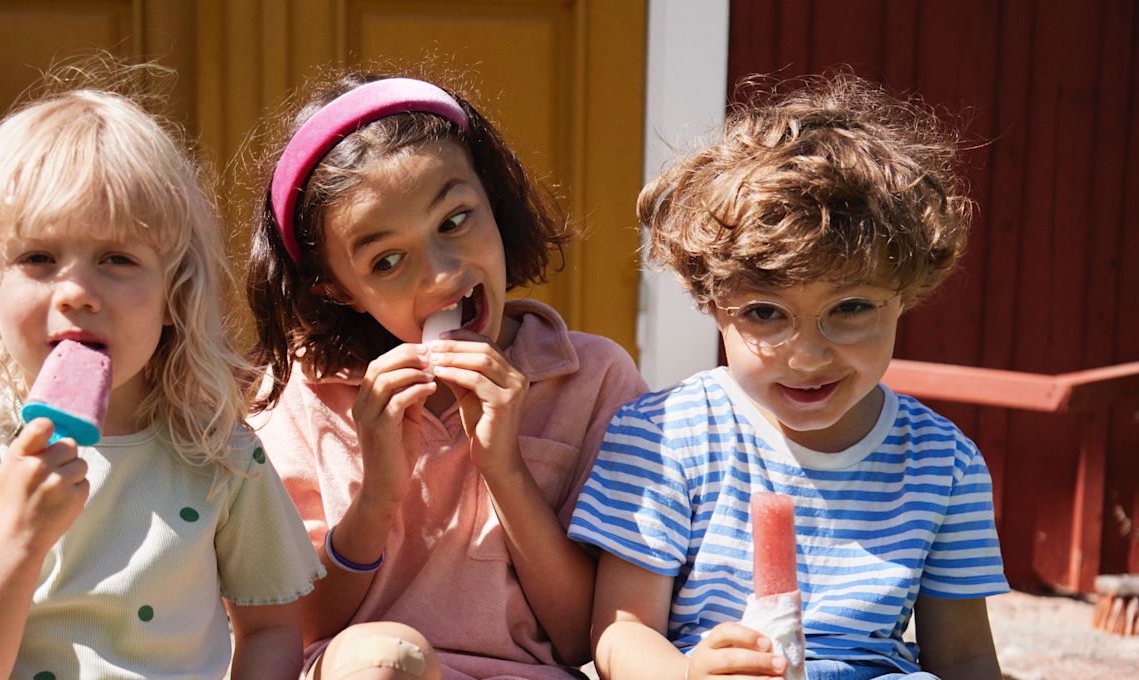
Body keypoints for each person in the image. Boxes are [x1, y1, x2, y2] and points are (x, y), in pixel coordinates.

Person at [569, 72, 1009, 680]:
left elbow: (962, 657)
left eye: (849, 309)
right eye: (764, 313)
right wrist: (686, 675)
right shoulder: (667, 437)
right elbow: (621, 631)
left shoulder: (942, 464)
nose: (806, 356)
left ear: (905, 294)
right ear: (711, 303)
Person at [0, 64, 324, 680]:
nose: (76, 292)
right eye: (38, 257)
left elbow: (271, 626)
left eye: (116, 258)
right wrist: (19, 535)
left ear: (175, 294)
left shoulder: (218, 452)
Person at [243, 72, 648, 679]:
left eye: (455, 220)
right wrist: (378, 492)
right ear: (339, 288)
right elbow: (295, 628)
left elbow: (581, 642)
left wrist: (504, 468)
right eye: (385, 261)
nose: (439, 275)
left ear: (493, 199)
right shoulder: (301, 397)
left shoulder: (594, 380)